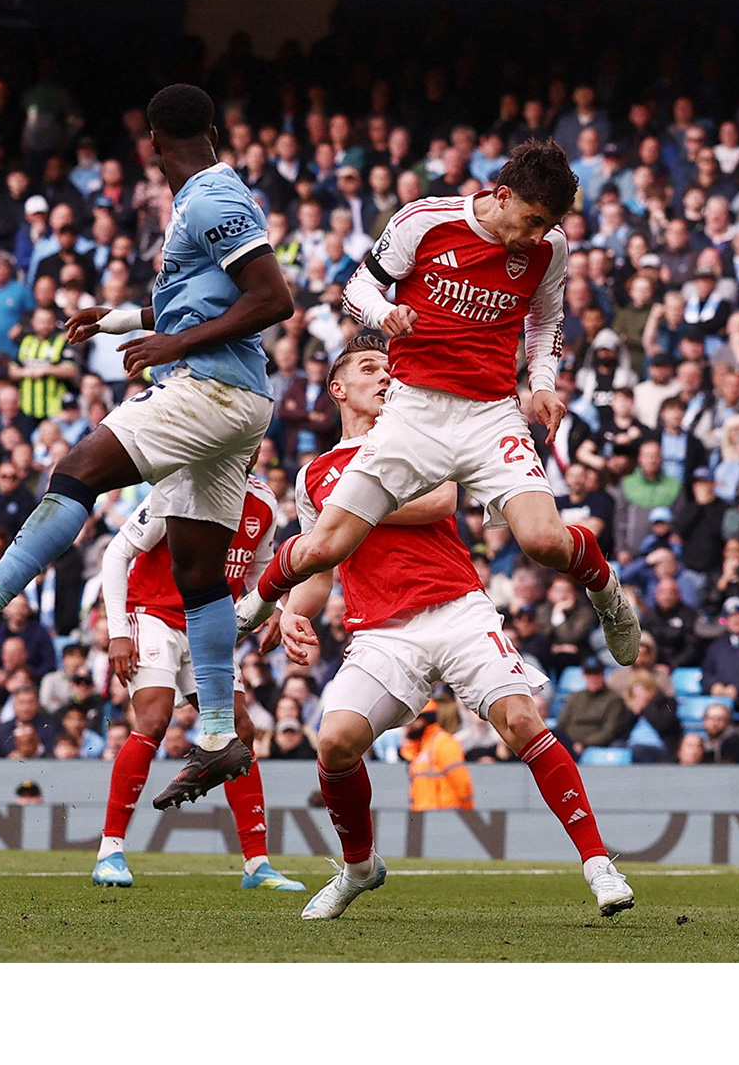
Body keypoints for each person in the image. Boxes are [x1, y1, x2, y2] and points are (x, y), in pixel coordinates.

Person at [0, 84, 295, 810]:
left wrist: (172, 343)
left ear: (150, 143)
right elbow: (202, 298)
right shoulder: (209, 198)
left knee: (75, 470)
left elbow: (272, 298)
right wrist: (116, 321)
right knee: (200, 575)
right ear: (209, 128)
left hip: (211, 388)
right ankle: (214, 734)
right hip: (237, 400)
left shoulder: (208, 198)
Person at [266, 336, 633, 919]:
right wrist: (293, 613)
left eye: (389, 368)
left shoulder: (416, 437)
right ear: (337, 389)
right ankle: (359, 866)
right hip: (382, 631)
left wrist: (350, 507)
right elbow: (319, 564)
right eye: (368, 368)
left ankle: (598, 864)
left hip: (456, 606)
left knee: (520, 720)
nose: (384, 377)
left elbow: (440, 500)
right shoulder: (314, 474)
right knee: (334, 742)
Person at [239, 141, 641, 670]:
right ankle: (256, 604)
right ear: (501, 196)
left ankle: (608, 592)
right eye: (531, 219)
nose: (536, 235)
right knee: (324, 547)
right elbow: (358, 289)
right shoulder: (424, 220)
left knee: (544, 540)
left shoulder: (550, 248)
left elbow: (545, 321)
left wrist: (542, 383)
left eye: (548, 224)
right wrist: (384, 314)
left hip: (491, 412)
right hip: (414, 413)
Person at [92, 476, 303, 893]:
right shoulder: (181, 484)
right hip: (152, 614)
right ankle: (110, 851)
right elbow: (117, 553)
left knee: (241, 731)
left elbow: (259, 569)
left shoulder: (264, 503)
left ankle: (256, 864)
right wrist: (118, 631)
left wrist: (276, 607)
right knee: (154, 717)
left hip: (207, 627)